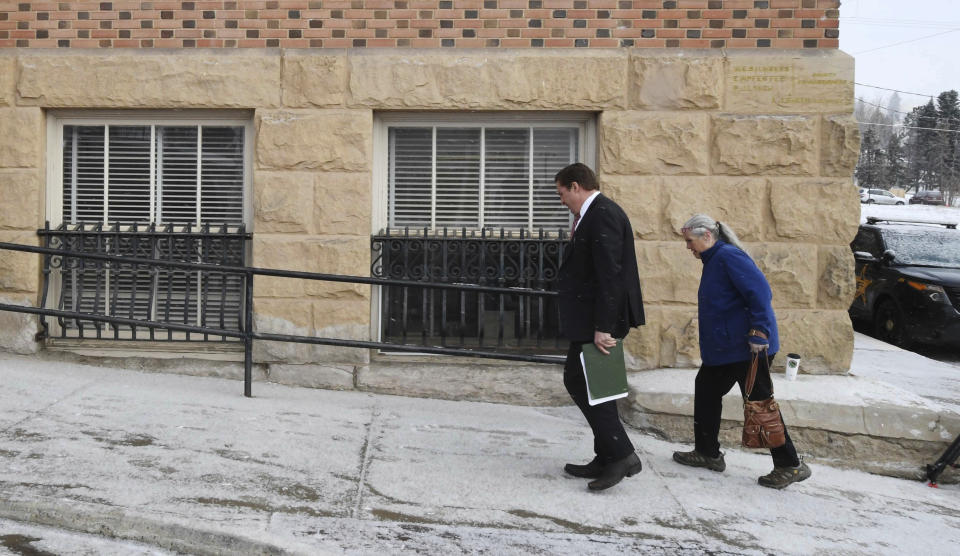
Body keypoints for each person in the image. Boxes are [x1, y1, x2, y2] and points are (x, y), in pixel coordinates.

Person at [673, 214, 811, 489]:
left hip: (748, 348)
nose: (688, 247)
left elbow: (760, 292)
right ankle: (707, 453)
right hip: (727, 348)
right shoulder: (714, 259)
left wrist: (760, 330)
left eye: (690, 241)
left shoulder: (728, 257)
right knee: (707, 389)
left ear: (707, 236)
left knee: (760, 405)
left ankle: (790, 465)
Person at [554, 163, 645, 491]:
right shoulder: (595, 214)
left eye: (562, 193)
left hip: (600, 322)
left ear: (576, 186)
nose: (561, 200)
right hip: (592, 319)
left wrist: (603, 326)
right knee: (591, 385)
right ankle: (607, 454)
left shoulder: (603, 213)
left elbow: (611, 275)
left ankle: (621, 455)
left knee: (588, 384)